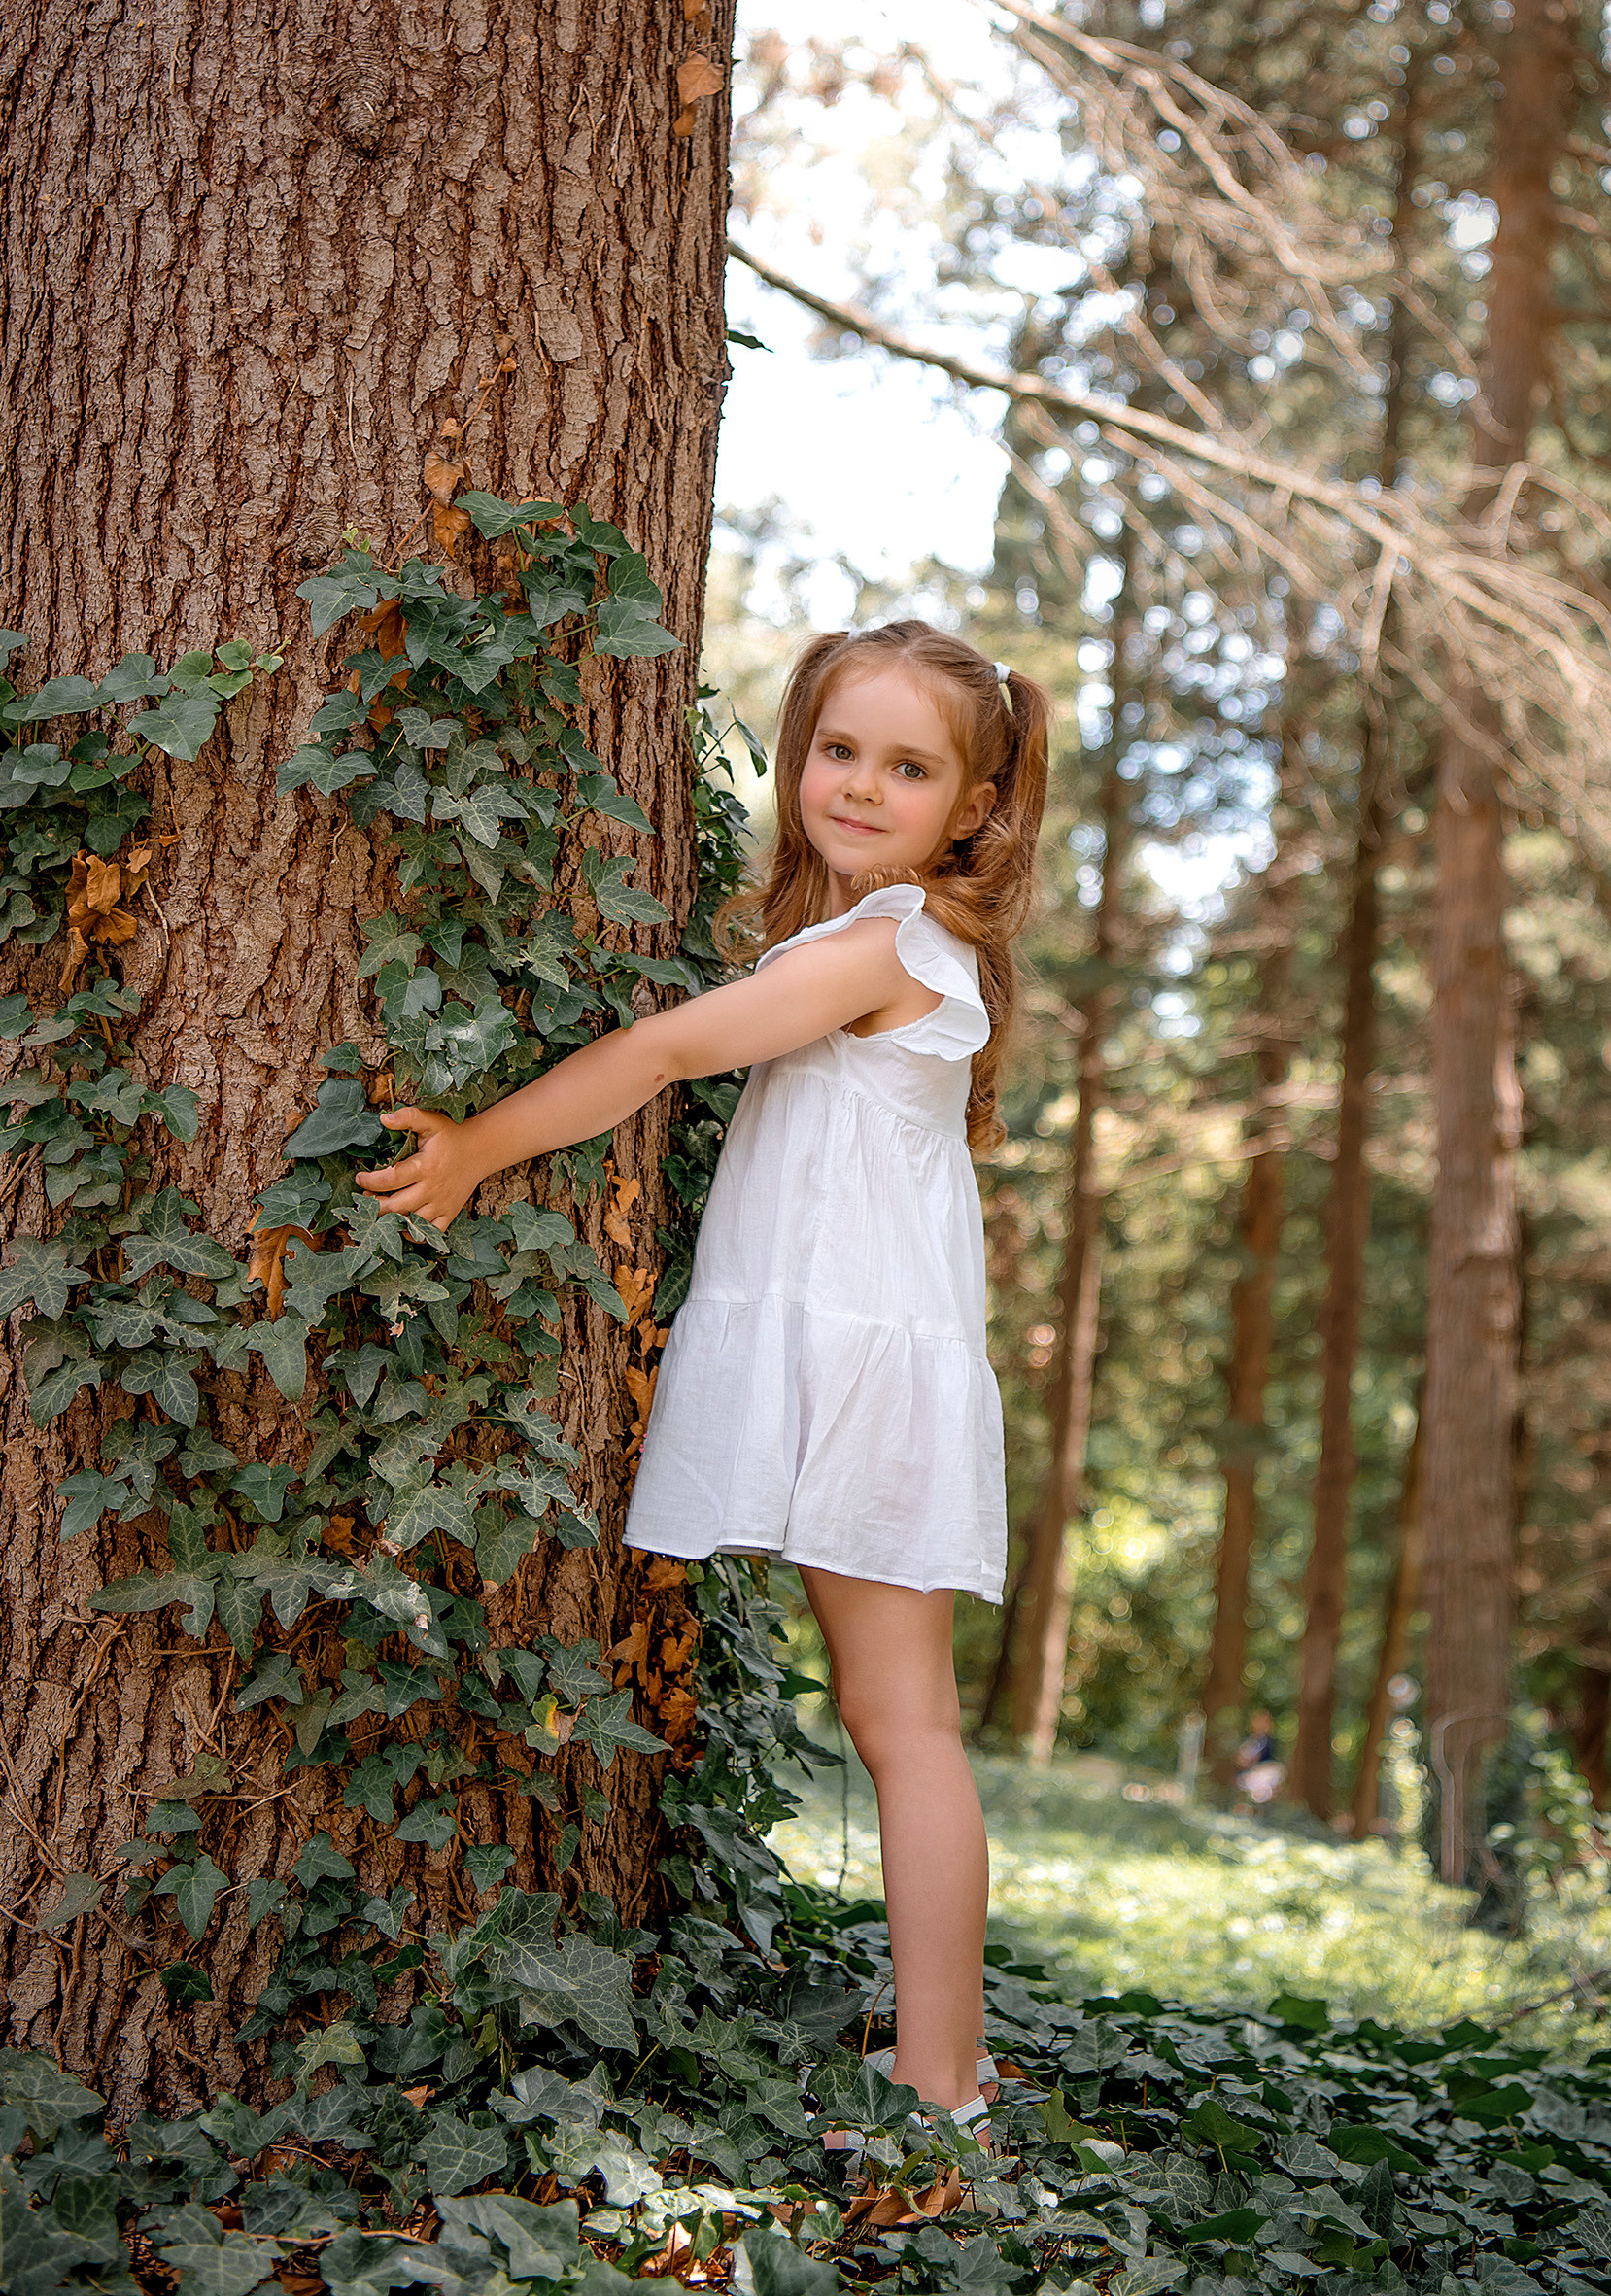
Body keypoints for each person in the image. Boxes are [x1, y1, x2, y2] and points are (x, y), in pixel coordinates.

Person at [357, 621, 1051, 2147]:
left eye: (909, 766)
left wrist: (479, 1147)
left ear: (976, 806)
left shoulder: (883, 949)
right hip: (847, 1334)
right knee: (898, 1719)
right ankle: (943, 2074)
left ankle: (944, 2081)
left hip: (861, 1356)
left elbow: (670, 1050)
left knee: (906, 1725)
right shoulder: (875, 939)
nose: (859, 785)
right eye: (837, 750)